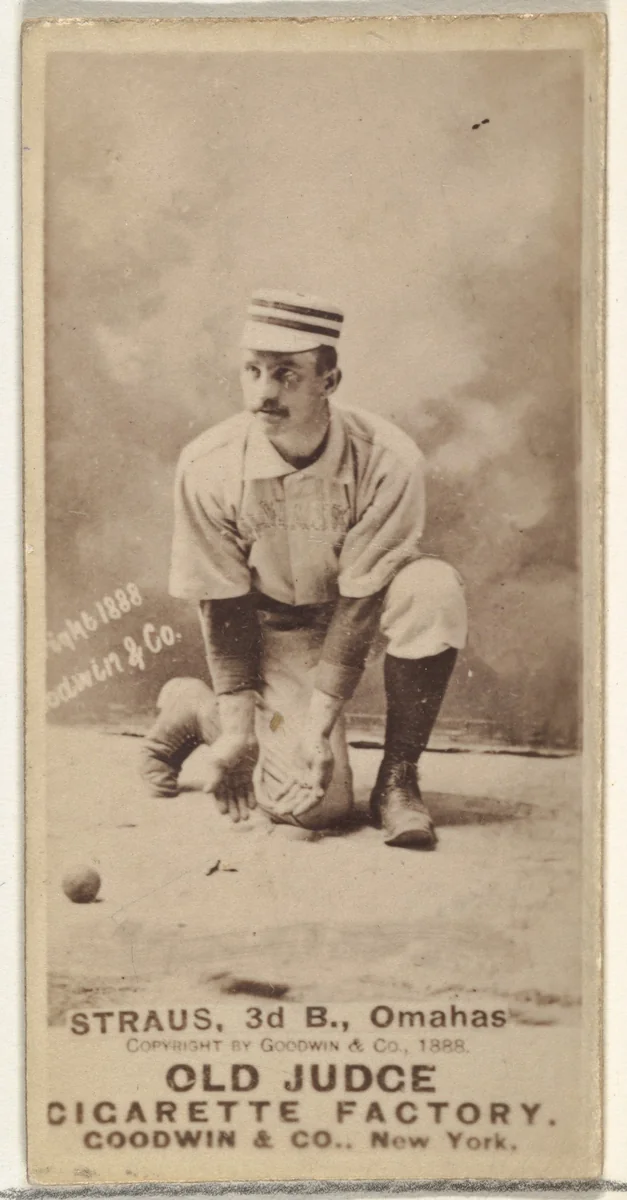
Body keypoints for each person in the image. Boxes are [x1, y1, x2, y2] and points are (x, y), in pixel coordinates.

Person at [143, 289, 467, 849]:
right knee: (316, 810)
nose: (264, 394)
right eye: (253, 371)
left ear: (329, 381)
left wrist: (317, 728)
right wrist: (240, 729)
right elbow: (222, 601)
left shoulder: (388, 458)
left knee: (434, 587)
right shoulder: (210, 463)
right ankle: (196, 710)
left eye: (287, 375)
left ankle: (397, 778)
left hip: (359, 610)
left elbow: (365, 596)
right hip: (274, 626)